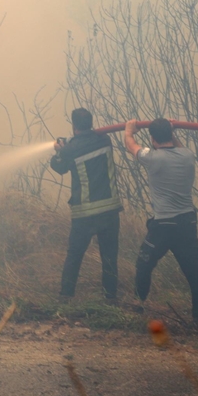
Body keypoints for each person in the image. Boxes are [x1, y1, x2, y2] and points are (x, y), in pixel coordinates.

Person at [123, 118, 198, 331]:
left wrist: (128, 130)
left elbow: (131, 145)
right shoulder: (188, 156)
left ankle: (138, 304)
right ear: (170, 135)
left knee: (144, 264)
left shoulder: (152, 158)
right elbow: (178, 147)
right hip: (186, 223)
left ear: (152, 138)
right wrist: (172, 132)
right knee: (195, 273)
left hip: (163, 226)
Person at [50, 108, 123, 303]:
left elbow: (58, 167)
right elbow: (88, 141)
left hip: (85, 213)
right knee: (109, 256)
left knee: (74, 255)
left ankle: (66, 296)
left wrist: (59, 150)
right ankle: (110, 298)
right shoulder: (105, 140)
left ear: (74, 125)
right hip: (109, 210)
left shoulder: (70, 149)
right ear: (91, 123)